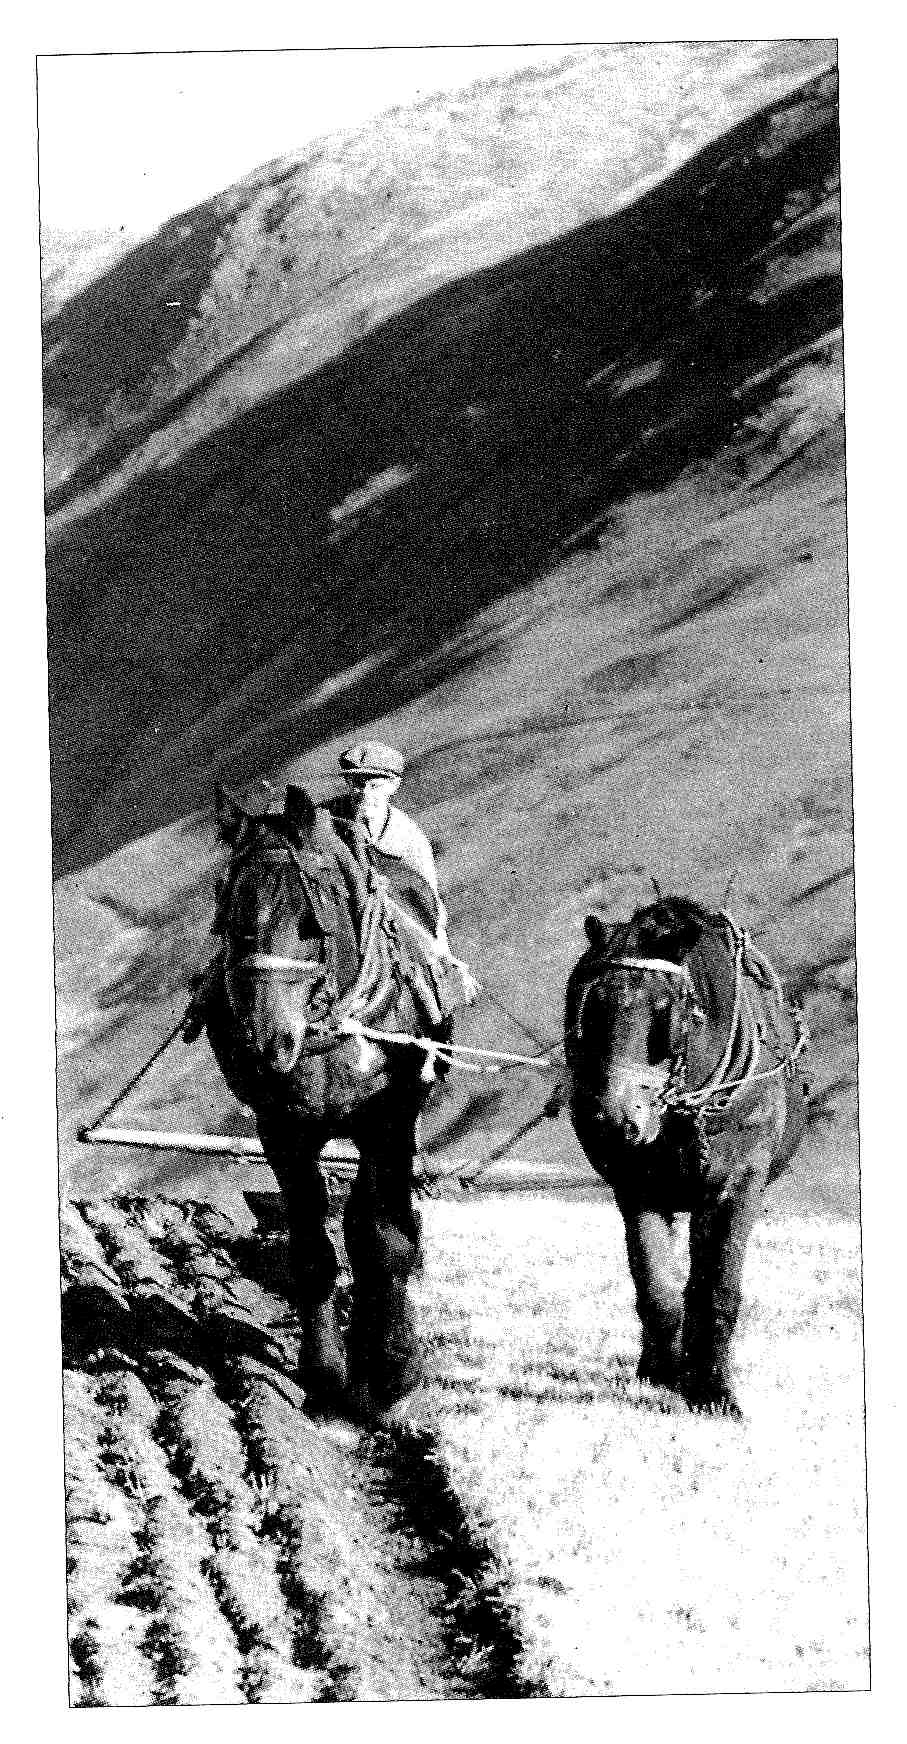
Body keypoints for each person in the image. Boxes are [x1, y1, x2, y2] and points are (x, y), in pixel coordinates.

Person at [331, 740, 479, 1003]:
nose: (365, 794)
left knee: (429, 977)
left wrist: (440, 948)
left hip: (386, 918)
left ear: (393, 786)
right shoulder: (329, 819)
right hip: (337, 909)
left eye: (375, 785)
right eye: (357, 784)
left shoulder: (409, 839)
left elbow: (427, 897)